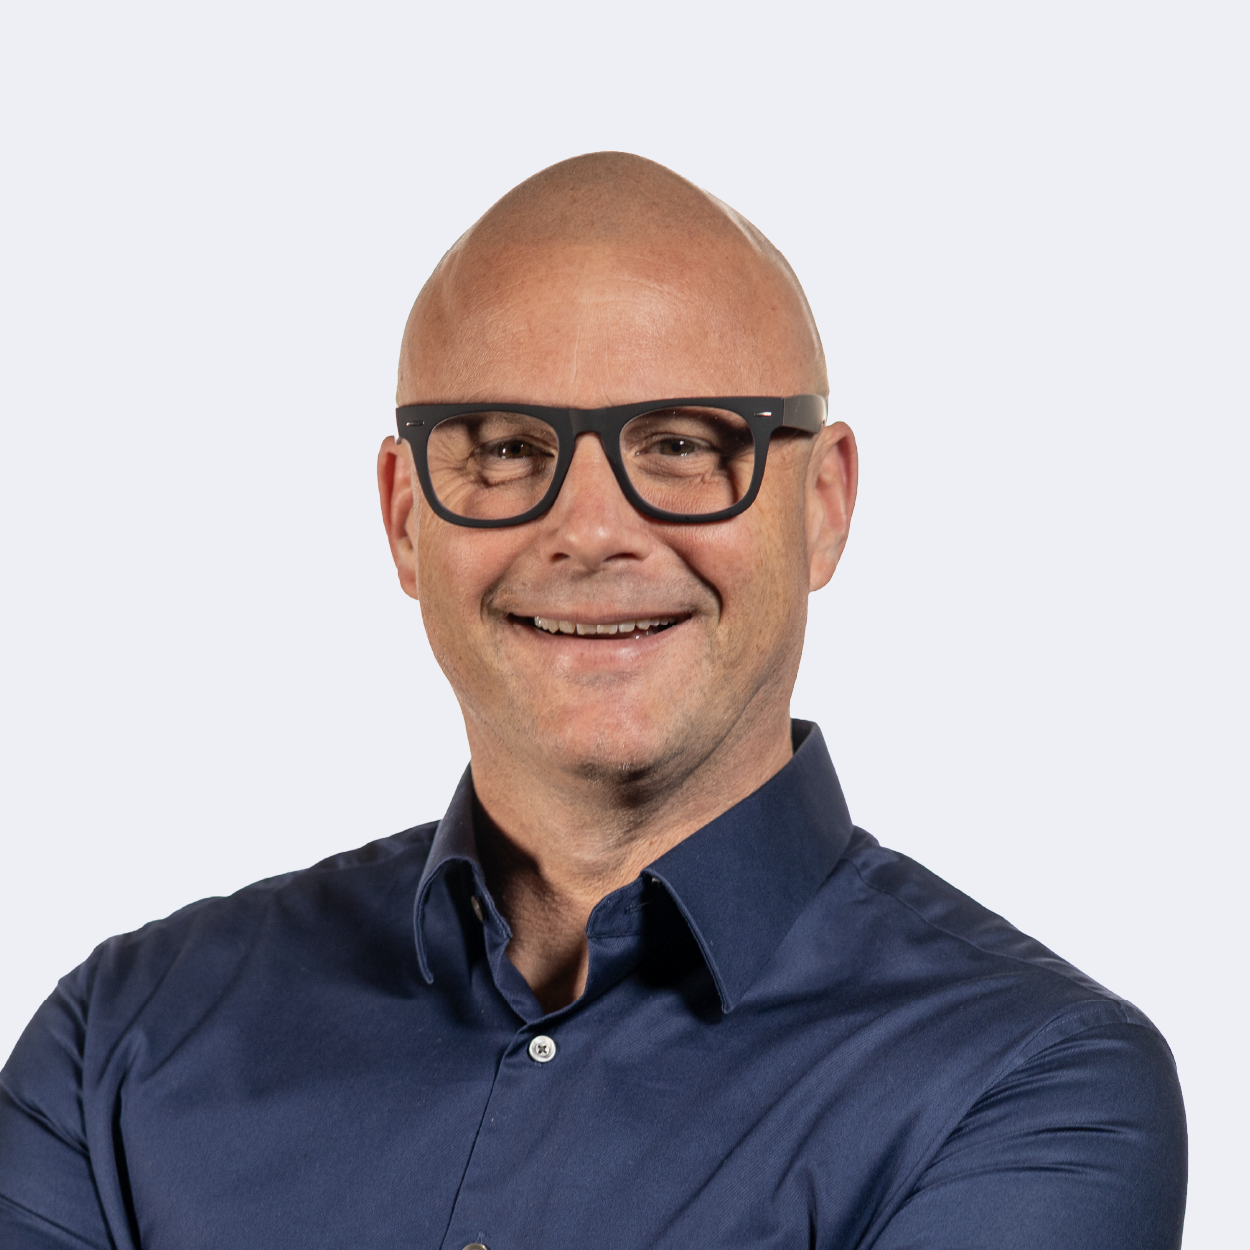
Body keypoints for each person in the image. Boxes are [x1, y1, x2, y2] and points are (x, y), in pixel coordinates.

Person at [0, 153, 1186, 1249]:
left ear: (822, 504)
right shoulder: (119, 1045)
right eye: (506, 448)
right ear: (405, 518)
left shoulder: (1028, 1082)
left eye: (682, 443)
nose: (589, 530)